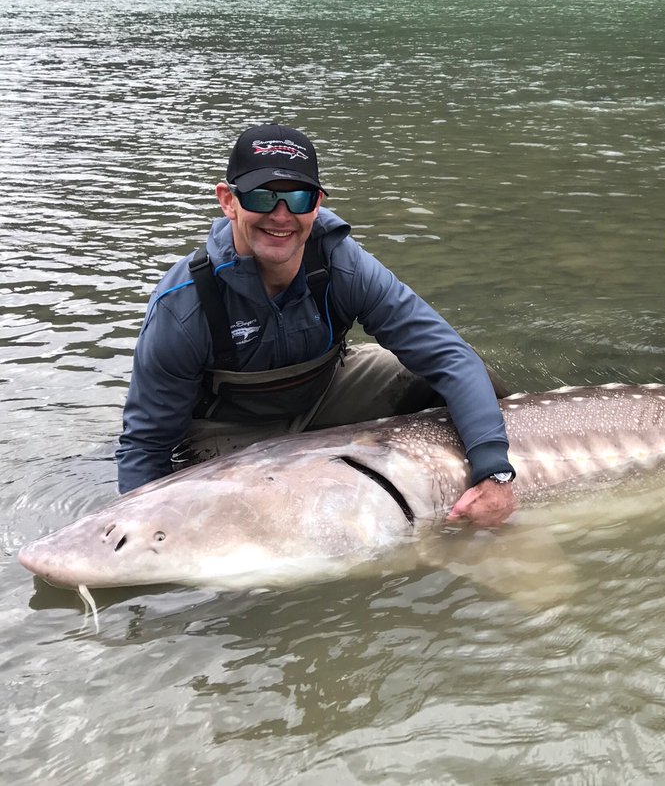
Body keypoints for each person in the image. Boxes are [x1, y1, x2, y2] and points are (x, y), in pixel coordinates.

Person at [116, 124, 516, 526]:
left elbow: (448, 356)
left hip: (324, 393)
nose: (281, 215)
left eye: (298, 197)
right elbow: (147, 445)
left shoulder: (341, 261)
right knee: (237, 524)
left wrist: (494, 468)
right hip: (230, 430)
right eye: (262, 196)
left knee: (466, 375)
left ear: (317, 202)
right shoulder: (183, 304)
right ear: (228, 200)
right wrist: (132, 527)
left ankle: (497, 484)